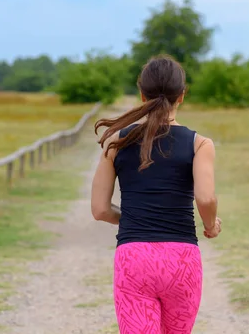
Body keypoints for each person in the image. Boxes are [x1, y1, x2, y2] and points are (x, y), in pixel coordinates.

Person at [91, 55, 222, 333]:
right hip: (182, 260)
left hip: (133, 258)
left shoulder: (117, 141)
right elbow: (206, 199)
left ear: (141, 94)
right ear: (182, 96)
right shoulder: (200, 144)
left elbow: (100, 209)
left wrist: (137, 220)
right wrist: (210, 226)